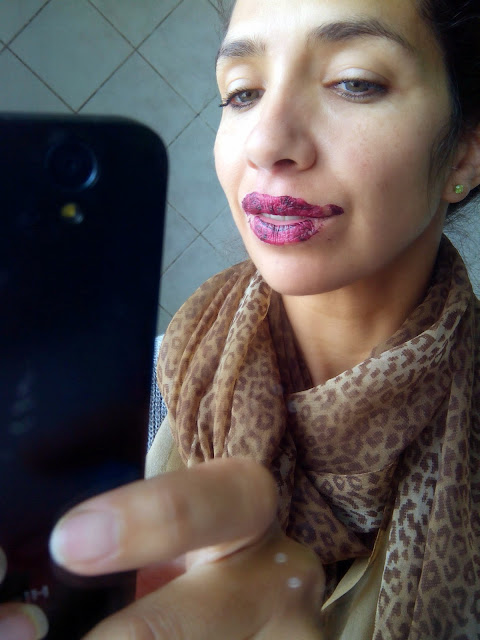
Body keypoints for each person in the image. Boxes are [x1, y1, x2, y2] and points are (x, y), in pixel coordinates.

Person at [2, 0, 480, 637]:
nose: (266, 142)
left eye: (354, 82)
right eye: (243, 93)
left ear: (465, 153)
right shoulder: (138, 396)